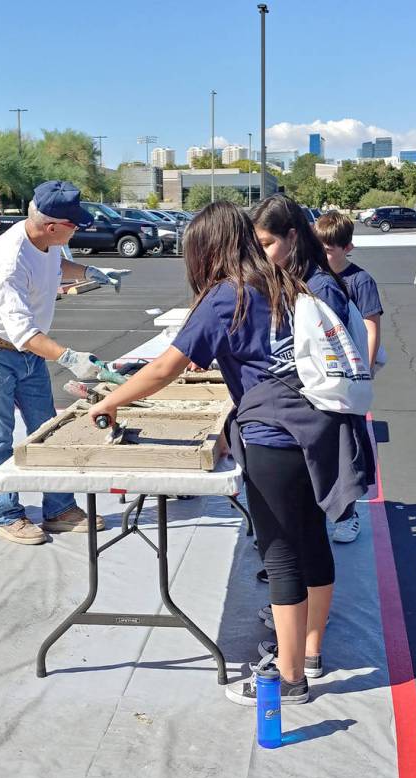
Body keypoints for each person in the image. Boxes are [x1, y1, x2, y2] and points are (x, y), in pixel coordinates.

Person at [86, 200, 372, 706]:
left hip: (274, 437)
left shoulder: (226, 296)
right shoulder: (287, 278)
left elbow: (162, 370)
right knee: (311, 542)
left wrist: (109, 400)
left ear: (207, 251)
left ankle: (288, 680)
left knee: (280, 554)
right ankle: (308, 654)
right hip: (321, 426)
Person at [0, 180, 130, 546]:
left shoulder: (46, 241)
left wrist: (89, 272)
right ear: (52, 226)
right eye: (74, 225)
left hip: (26, 354)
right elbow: (22, 333)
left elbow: (56, 265)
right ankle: (8, 514)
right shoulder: (9, 259)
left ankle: (59, 510)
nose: (80, 228)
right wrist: (70, 357)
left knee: (48, 429)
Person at [314, 210, 384, 542]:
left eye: (329, 249)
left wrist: (364, 373)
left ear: (348, 247)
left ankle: (348, 514)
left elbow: (371, 329)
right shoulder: (313, 276)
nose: (323, 255)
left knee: (350, 443)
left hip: (350, 375)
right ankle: (324, 507)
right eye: (319, 248)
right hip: (322, 374)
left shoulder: (360, 281)